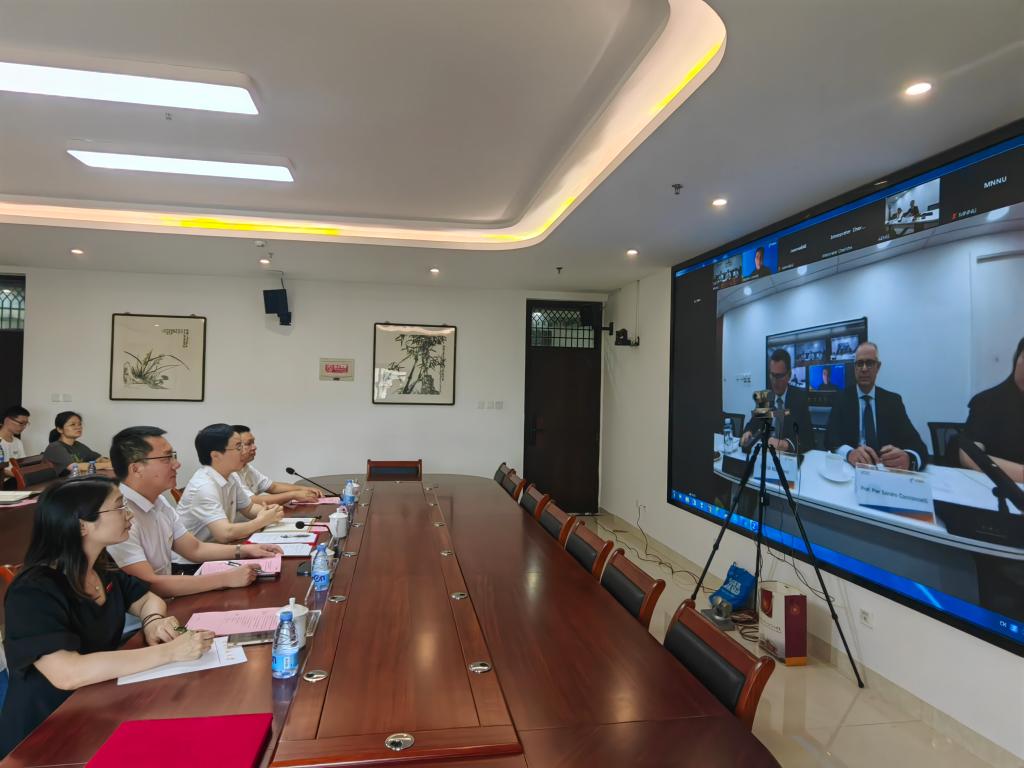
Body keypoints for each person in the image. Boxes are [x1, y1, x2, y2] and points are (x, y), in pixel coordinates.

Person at [0, 477, 214, 756]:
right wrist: (170, 652)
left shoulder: (99, 564)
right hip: (48, 731)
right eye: (119, 507)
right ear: (82, 525)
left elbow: (146, 598)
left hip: (99, 703)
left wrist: (153, 621)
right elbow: (67, 673)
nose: (129, 515)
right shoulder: (33, 591)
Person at [106, 426, 283, 596]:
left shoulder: (159, 501)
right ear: (136, 468)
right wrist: (226, 578)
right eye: (166, 458)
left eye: (173, 456)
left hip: (169, 595)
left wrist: (247, 550)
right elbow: (149, 584)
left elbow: (195, 549)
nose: (177, 464)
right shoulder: (116, 515)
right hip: (149, 609)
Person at [175, 424, 284, 549]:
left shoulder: (231, 476)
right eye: (238, 447)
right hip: (195, 558)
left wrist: (268, 512)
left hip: (221, 548)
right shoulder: (204, 487)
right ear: (216, 455)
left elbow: (249, 508)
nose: (243, 451)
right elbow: (225, 534)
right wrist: (262, 520)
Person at [825, 341, 928, 470]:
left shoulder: (893, 402)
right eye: (859, 363)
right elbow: (829, 440)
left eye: (869, 363)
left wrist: (909, 459)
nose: (864, 369)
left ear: (878, 367)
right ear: (855, 368)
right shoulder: (841, 399)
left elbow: (918, 446)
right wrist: (849, 453)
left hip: (885, 470)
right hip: (851, 470)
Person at [960, 337, 1024, 484]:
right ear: (1017, 359)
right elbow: (969, 455)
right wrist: (1020, 472)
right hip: (998, 487)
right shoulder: (988, 401)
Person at [740, 348, 813, 455]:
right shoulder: (765, 397)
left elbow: (808, 439)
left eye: (779, 376)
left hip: (787, 457)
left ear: (789, 375)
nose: (774, 381)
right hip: (765, 455)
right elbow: (752, 425)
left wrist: (785, 444)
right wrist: (748, 432)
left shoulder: (799, 399)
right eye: (772, 375)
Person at [232, 425, 322, 505]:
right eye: (248, 444)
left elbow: (273, 487)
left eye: (253, 443)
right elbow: (252, 501)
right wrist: (293, 495)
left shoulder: (246, 468)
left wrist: (304, 489)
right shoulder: (231, 473)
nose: (254, 447)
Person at [42, 412, 112, 475]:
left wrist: (110, 462)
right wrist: (108, 465)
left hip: (76, 480)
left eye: (79, 424)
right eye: (72, 424)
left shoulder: (78, 445)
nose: (78, 427)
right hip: (58, 483)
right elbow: (74, 467)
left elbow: (98, 459)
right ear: (60, 429)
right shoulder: (55, 447)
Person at [0, 407, 29, 479]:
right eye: (21, 423)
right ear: (7, 420)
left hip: (15, 480)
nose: (24, 427)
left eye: (26, 424)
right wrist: (17, 475)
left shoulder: (18, 442)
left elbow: (22, 464)